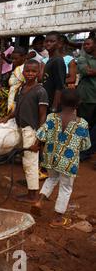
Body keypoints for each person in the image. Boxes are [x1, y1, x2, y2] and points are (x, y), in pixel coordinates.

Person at [31, 90, 91, 228]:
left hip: (51, 157)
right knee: (65, 187)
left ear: (60, 102)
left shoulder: (52, 117)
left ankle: (39, 201)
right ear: (78, 104)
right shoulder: (82, 124)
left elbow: (41, 134)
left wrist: (37, 145)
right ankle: (58, 218)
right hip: (68, 162)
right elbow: (85, 145)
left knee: (51, 179)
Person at [0, 60, 49, 203]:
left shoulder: (40, 91)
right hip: (21, 127)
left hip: (32, 131)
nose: (30, 74)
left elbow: (42, 116)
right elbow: (18, 109)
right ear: (23, 72)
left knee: (30, 162)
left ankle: (33, 195)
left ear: (39, 72)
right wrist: (6, 118)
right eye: (28, 71)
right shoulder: (22, 88)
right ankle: (31, 192)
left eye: (34, 71)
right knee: (26, 161)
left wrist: (39, 140)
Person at [77, 36, 96, 161]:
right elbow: (88, 72)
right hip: (87, 98)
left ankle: (90, 150)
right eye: (84, 44)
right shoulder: (82, 58)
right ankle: (83, 152)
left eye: (88, 44)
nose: (85, 46)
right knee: (84, 125)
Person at [43, 31, 67, 113]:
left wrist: (54, 107)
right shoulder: (51, 59)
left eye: (52, 41)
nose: (48, 43)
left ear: (59, 43)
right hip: (47, 101)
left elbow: (60, 86)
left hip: (53, 104)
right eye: (46, 41)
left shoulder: (58, 60)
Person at [7, 47, 27, 112]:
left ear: (23, 57)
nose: (13, 61)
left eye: (16, 59)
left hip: (17, 101)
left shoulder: (24, 69)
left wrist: (16, 100)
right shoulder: (18, 68)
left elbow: (24, 86)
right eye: (12, 59)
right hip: (13, 100)